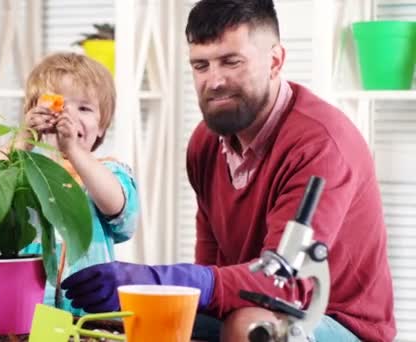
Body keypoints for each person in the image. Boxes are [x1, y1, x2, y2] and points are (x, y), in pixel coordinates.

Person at [59, 1, 396, 341]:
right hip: (248, 302)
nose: (214, 81)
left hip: (334, 320)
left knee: (251, 328)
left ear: (275, 61)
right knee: (134, 320)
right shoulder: (205, 144)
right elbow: (211, 268)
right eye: (200, 65)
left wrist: (154, 279)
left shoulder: (320, 144)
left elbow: (284, 283)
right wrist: (153, 299)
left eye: (231, 62)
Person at [0, 52, 139, 317]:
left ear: (102, 127)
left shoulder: (108, 171)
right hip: (29, 310)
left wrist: (73, 150)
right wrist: (24, 137)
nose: (68, 116)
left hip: (92, 314)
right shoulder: (23, 170)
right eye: (57, 106)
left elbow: (118, 208)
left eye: (84, 108)